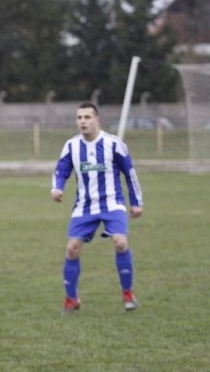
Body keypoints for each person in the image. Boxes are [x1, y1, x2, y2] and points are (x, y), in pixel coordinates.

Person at [50, 101, 144, 314]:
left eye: (87, 117)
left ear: (97, 119)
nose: (82, 121)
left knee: (120, 243)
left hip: (112, 203)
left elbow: (130, 174)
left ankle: (127, 293)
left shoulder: (113, 144)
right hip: (84, 205)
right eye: (79, 118)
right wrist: (57, 188)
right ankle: (71, 299)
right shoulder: (72, 145)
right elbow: (61, 170)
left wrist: (137, 202)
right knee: (72, 248)